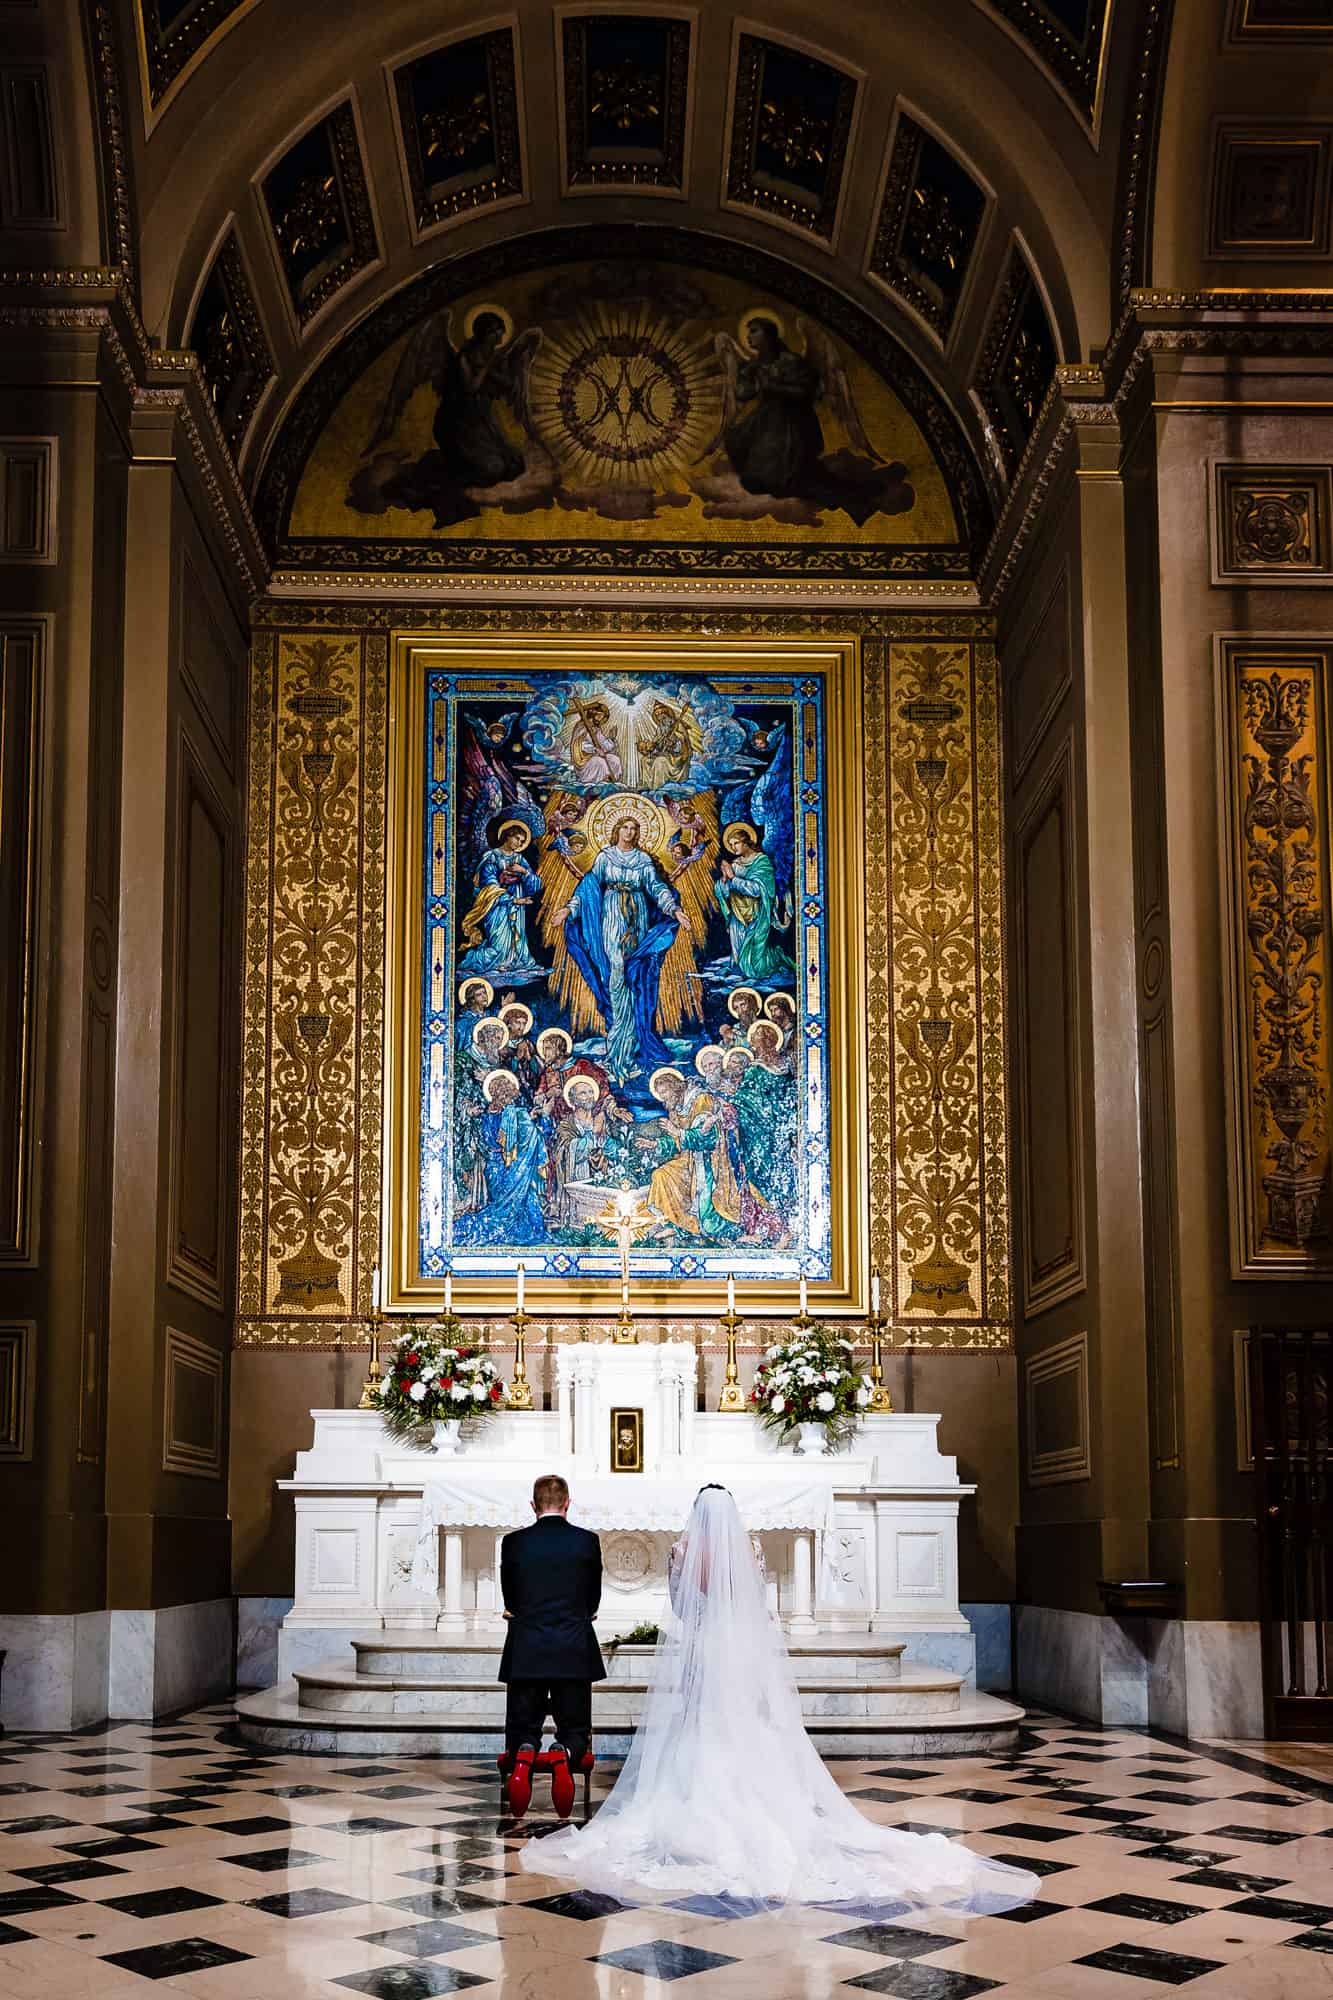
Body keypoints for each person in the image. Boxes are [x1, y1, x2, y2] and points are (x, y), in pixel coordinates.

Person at [521, 1485, 1037, 1912]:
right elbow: (757, 1607)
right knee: (746, 1726)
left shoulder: (682, 1553)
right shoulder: (750, 1552)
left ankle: (699, 1818)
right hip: (741, 1652)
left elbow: (680, 1610)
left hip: (704, 1650)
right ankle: (762, 1816)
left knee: (700, 1725)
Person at [552, 816, 690, 1082]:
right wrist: (569, 908)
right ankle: (618, 1048)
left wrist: (675, 909)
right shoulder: (605, 857)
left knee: (633, 975)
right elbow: (588, 887)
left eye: (635, 827)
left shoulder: (643, 860)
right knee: (616, 974)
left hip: (637, 917)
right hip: (612, 916)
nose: (630, 831)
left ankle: (631, 1049)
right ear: (617, 830)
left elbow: (657, 887)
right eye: (626, 827)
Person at [500, 1473, 604, 1820]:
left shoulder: (514, 1543)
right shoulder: (586, 1541)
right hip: (573, 1648)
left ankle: (526, 1752)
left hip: (526, 1647)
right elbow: (592, 1600)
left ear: (533, 1505)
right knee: (575, 1726)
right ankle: (563, 1753)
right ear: (567, 1503)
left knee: (521, 1725)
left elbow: (511, 1598)